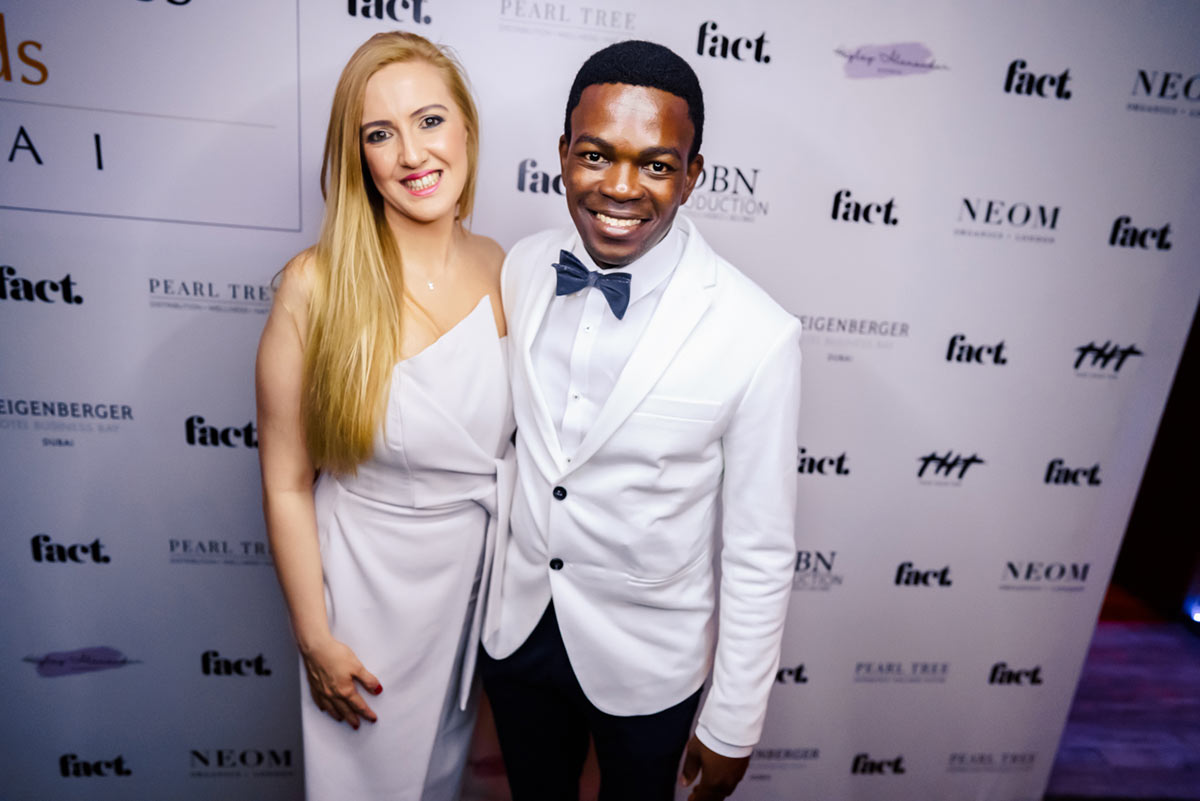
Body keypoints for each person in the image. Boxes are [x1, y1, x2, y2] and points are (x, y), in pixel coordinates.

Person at [480, 40, 801, 801]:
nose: (620, 187)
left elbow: (759, 549)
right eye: (595, 155)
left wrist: (734, 721)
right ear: (563, 154)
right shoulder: (523, 267)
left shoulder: (759, 334)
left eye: (656, 165)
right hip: (518, 632)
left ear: (692, 175)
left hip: (649, 663)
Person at [255, 31, 511, 801]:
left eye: (430, 120)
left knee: (440, 782)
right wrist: (316, 638)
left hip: (473, 599)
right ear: (357, 154)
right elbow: (287, 483)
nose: (412, 154)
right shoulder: (314, 284)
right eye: (380, 133)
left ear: (466, 128)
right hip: (363, 599)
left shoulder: (507, 268)